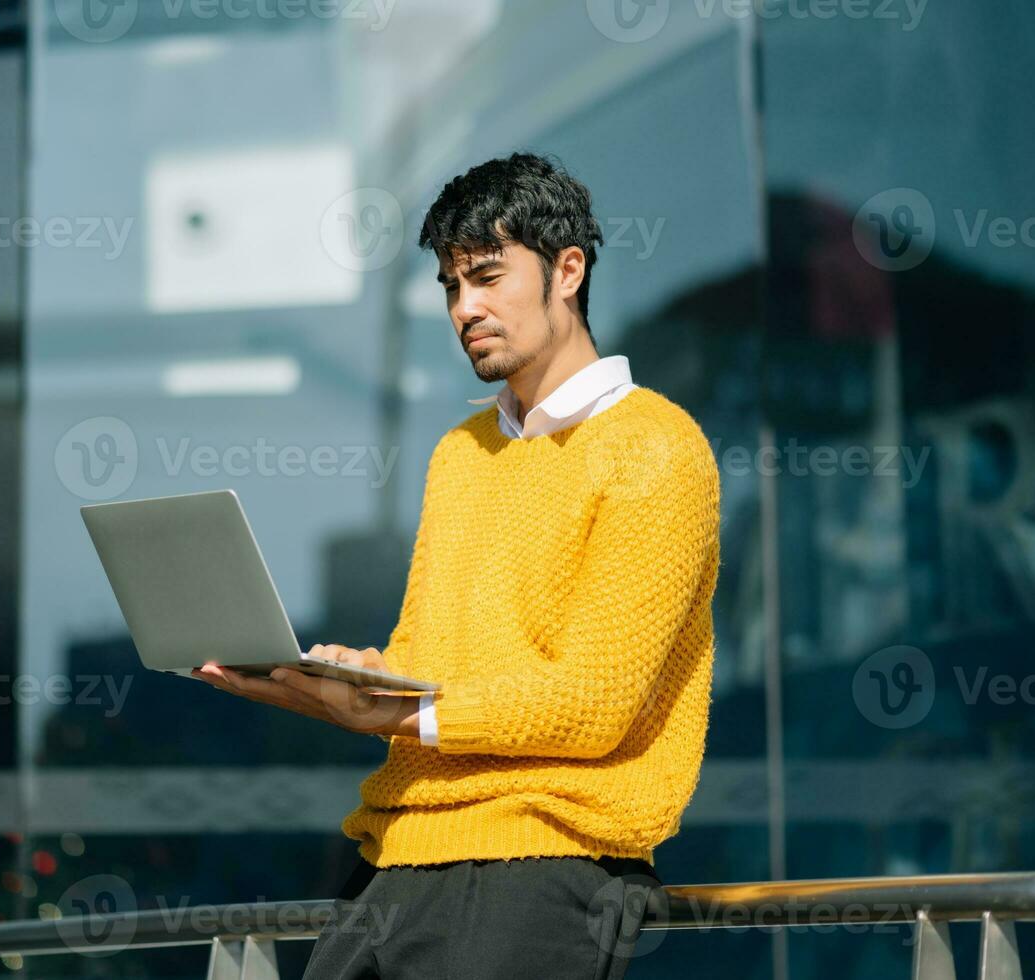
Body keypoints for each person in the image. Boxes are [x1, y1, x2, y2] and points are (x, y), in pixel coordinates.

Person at [190, 151, 721, 979]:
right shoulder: (461, 453)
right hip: (398, 851)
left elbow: (593, 704)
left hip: (548, 862)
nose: (464, 308)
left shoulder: (656, 446)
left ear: (568, 270)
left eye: (486, 276)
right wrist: (330, 683)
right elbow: (431, 665)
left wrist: (395, 713)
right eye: (449, 285)